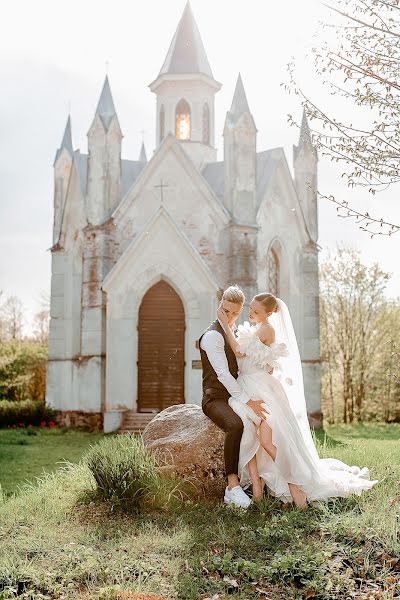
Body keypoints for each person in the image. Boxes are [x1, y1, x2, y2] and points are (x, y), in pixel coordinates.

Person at [217, 292, 378, 506]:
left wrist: (224, 324)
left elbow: (239, 351)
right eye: (251, 309)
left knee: (269, 439)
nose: (251, 313)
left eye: (256, 311)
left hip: (259, 389)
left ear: (269, 313)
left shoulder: (266, 329)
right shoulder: (258, 328)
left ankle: (295, 484)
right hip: (249, 385)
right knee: (250, 435)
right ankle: (258, 486)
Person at [199, 285, 268, 508]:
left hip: (233, 396)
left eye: (235, 312)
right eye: (226, 311)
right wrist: (249, 401)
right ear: (219, 307)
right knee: (235, 425)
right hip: (214, 399)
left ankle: (261, 482)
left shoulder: (233, 331)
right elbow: (224, 375)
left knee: (264, 421)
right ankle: (232, 487)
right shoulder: (212, 336)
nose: (230, 316)